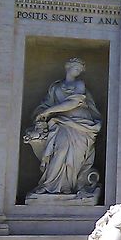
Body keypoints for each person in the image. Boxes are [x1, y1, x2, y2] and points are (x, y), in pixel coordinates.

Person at [24, 58, 102, 198]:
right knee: (60, 151)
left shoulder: (79, 84)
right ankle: (49, 185)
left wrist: (49, 112)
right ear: (68, 67)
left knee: (75, 157)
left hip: (81, 126)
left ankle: (67, 186)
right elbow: (45, 105)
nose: (78, 71)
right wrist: (41, 114)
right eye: (76, 68)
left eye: (80, 69)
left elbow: (73, 102)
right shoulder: (55, 87)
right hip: (60, 124)